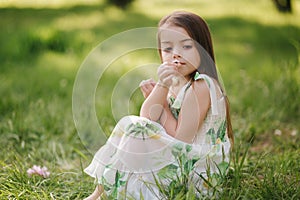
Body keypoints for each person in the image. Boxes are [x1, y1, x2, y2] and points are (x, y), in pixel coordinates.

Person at [84, 10, 234, 200]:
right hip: (183, 161)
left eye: (187, 46)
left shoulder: (203, 85)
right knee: (133, 126)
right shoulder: (177, 83)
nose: (176, 55)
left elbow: (182, 139)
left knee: (135, 128)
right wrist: (160, 91)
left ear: (202, 48)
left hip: (199, 175)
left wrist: (162, 104)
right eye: (168, 49)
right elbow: (147, 117)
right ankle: (101, 193)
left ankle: (105, 194)